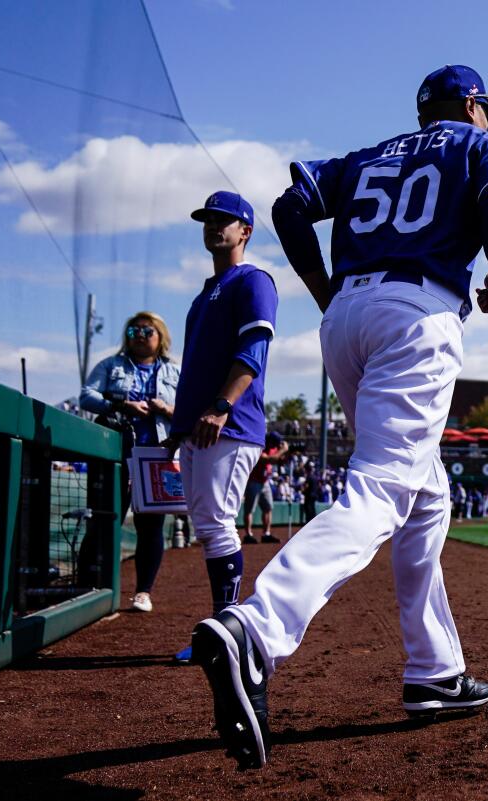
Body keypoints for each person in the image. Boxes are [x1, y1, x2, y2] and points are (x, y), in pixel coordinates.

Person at [190, 64, 488, 769]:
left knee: (426, 492)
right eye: (483, 112)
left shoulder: (368, 155)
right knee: (383, 487)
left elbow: (290, 207)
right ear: (472, 105)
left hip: (346, 317)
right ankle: (258, 629)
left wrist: (325, 289)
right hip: (417, 311)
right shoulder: (477, 146)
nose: (484, 122)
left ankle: (434, 670)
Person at [166, 192, 277, 664]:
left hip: (229, 425)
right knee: (207, 526)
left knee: (216, 524)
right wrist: (179, 425)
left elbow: (253, 352)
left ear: (245, 230)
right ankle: (223, 632)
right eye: (208, 220)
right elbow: (192, 368)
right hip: (198, 426)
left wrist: (220, 407)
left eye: (224, 220)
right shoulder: (202, 295)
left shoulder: (253, 280)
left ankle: (229, 635)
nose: (214, 226)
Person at [79, 311, 179, 612]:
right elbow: (86, 395)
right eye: (133, 330)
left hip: (157, 453)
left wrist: (165, 408)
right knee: (103, 518)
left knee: (151, 526)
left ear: (160, 336)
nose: (139, 335)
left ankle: (143, 592)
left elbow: (190, 406)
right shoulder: (112, 365)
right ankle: (88, 585)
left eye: (147, 331)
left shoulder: (175, 372)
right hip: (114, 451)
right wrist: (122, 404)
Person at [242, 433, 290, 544]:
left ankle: (266, 534)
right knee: (249, 510)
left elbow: (279, 460)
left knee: (268, 508)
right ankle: (248, 535)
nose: (276, 446)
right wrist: (283, 450)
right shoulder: (259, 448)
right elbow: (269, 459)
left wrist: (288, 453)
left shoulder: (273, 449)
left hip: (265, 482)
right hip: (253, 481)